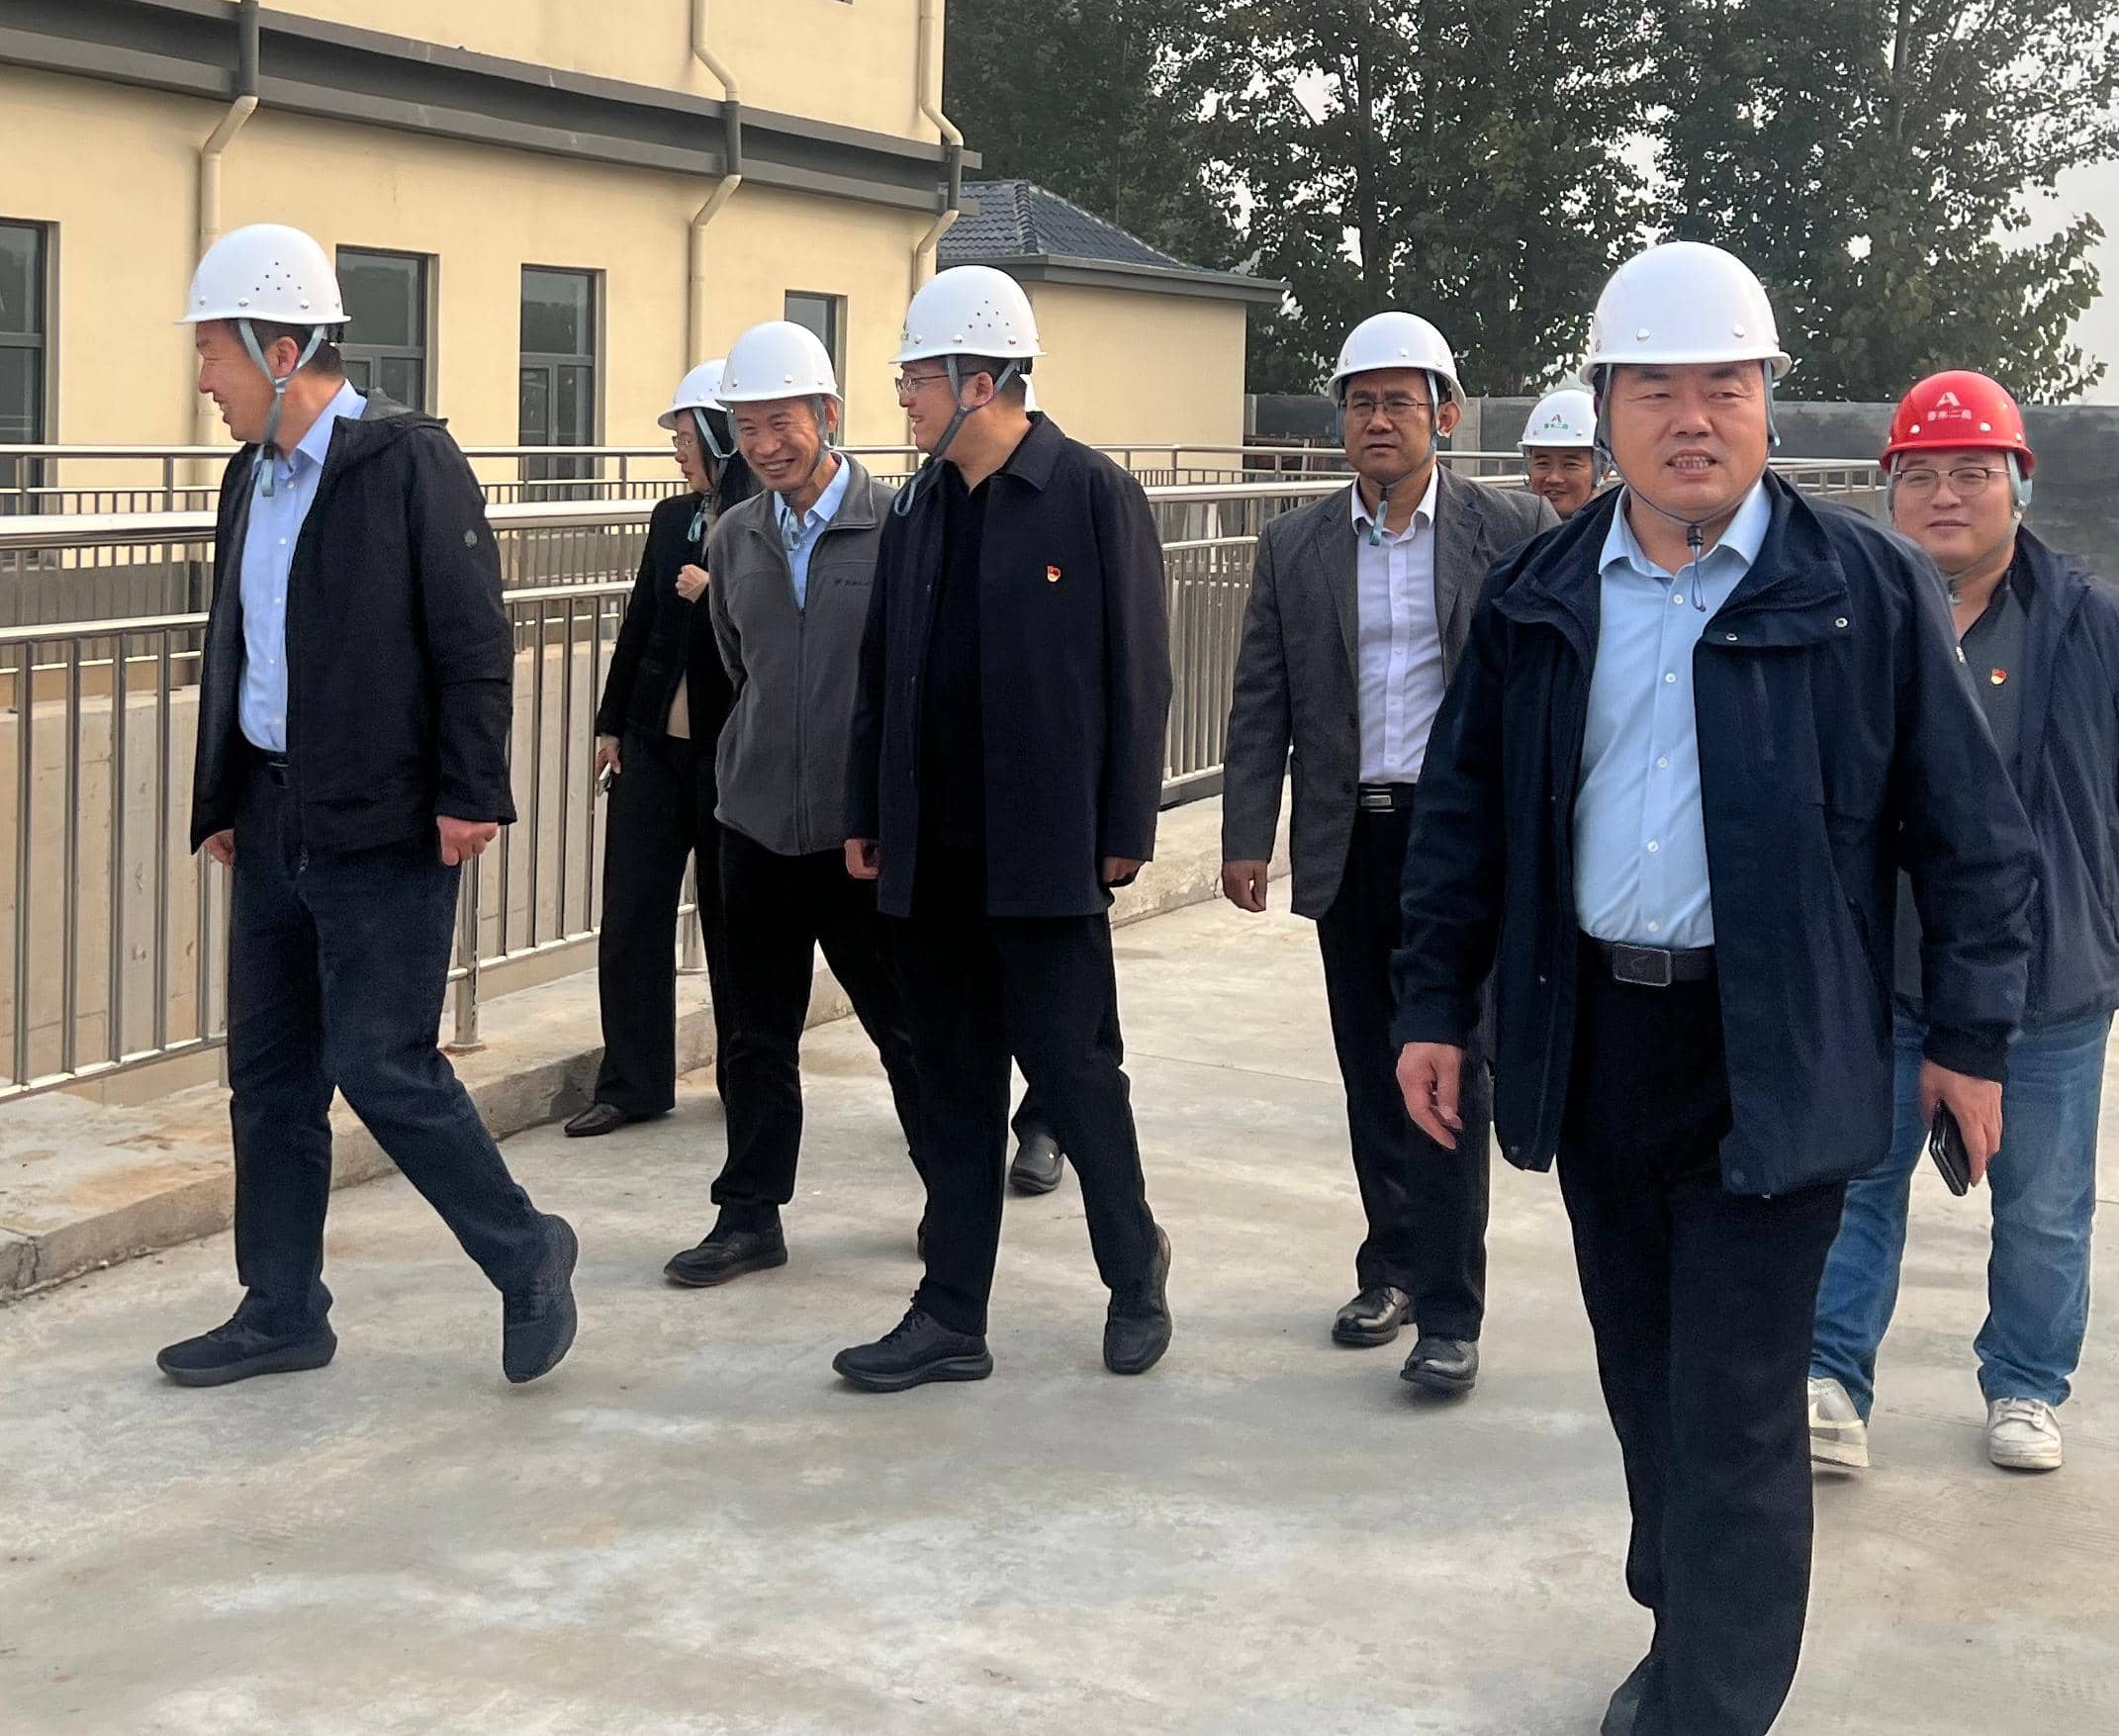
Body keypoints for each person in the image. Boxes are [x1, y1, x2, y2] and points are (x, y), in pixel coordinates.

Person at [1390, 240, 2033, 1736]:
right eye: (1657, 388)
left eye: (1725, 386)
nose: (1693, 418)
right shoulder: (1542, 591)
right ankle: (1684, 1628)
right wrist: (1433, 1004)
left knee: (1739, 1403)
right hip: (1599, 1039)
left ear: (1768, 402)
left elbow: (1970, 835)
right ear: (1606, 405)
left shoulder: (1861, 587)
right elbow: (1463, 817)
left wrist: (1970, 1037)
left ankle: (1713, 1702)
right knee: (1644, 1376)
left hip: (1775, 1049)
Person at [154, 222, 580, 1391]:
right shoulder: (248, 478)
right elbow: (239, 647)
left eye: (215, 354)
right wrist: (224, 795)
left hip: (384, 819)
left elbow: (473, 638)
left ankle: (527, 1253)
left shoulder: (406, 461)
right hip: (272, 812)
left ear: (281, 351)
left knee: (381, 1062)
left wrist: (470, 790)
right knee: (270, 1074)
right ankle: (282, 1308)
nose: (206, 381)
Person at [1804, 372, 2119, 1477]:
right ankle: (1830, 1378)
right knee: (1855, 1183)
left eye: (1973, 472)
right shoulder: (1857, 620)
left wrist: (2082, 872)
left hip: (2048, 986)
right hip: (1887, 969)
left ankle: (2026, 1384)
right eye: (1921, 474)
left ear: (2020, 485)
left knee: (2043, 1205)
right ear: (1890, 489)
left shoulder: (2100, 623)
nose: (1946, 495)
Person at [833, 265, 1173, 1392]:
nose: (904, 399)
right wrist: (868, 809)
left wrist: (1125, 822)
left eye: (918, 379)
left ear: (981, 381)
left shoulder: (1092, 494)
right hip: (933, 855)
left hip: (1045, 849)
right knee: (953, 1087)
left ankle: (1134, 1271)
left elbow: (1140, 671)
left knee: (1074, 1075)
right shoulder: (918, 507)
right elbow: (880, 671)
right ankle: (950, 1314)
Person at [1220, 311, 1550, 1394]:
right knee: (1371, 1066)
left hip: (1459, 842)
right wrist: (1246, 835)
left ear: (1444, 415)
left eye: (1399, 401)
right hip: (1350, 836)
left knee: (1451, 1063)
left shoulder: (1511, 529)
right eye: (1360, 403)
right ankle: (1392, 1267)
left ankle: (1450, 1311)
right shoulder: (1297, 544)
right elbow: (1261, 698)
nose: (1377, 420)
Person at [657, 320, 932, 1286]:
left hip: (864, 834)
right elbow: (742, 665)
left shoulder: (898, 526)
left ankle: (953, 1193)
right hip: (756, 824)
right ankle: (748, 1213)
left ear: (830, 415)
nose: (766, 444)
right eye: (747, 426)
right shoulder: (735, 536)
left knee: (905, 1025)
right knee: (754, 1031)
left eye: (783, 422)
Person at [569, 364, 740, 1139]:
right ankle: (633, 1082)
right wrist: (612, 723)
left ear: (720, 437)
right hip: (651, 748)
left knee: (735, 927)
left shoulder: (765, 519)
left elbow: (780, 629)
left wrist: (719, 589)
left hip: (729, 756)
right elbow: (639, 622)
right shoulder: (671, 517)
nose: (677, 451)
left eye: (685, 436)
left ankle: (747, 1076)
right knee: (632, 916)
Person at [1520, 386, 1604, 522]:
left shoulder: (1619, 532)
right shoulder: (1508, 530)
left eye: (1571, 464)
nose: (1553, 478)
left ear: (1603, 470)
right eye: (1542, 463)